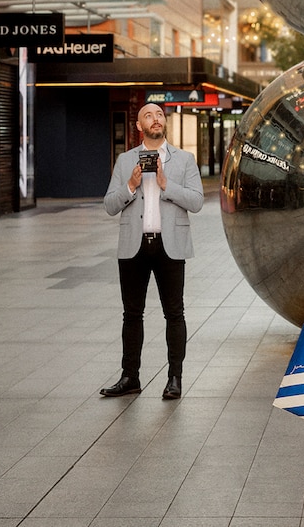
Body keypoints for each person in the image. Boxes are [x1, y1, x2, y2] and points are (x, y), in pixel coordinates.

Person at [100, 103, 204, 399]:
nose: (155, 119)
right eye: (149, 115)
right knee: (132, 314)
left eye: (159, 115)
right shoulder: (125, 161)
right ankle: (130, 377)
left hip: (169, 246)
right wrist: (130, 186)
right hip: (134, 246)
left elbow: (196, 202)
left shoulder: (184, 160)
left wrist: (165, 184)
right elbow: (109, 205)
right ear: (138, 125)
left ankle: (175, 378)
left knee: (175, 313)